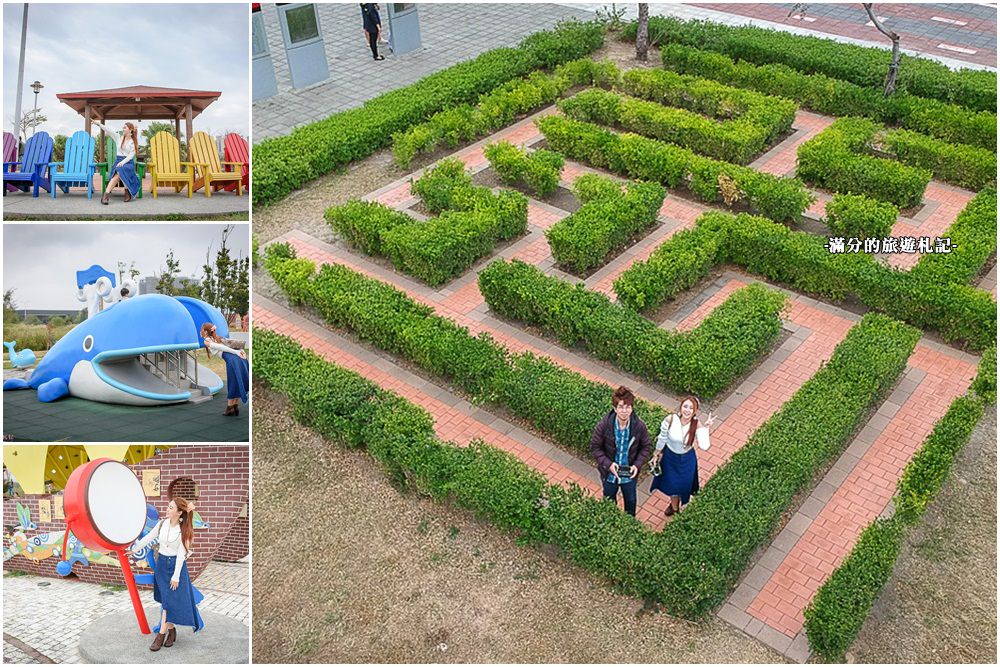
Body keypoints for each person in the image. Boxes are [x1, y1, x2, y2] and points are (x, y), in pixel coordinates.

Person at [130, 497, 204, 651]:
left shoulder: (185, 530)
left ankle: (161, 636)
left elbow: (181, 555)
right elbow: (148, 538)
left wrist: (176, 576)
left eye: (171, 508)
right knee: (166, 601)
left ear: (179, 512)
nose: (167, 509)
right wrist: (134, 550)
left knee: (168, 604)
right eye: (168, 506)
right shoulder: (162, 524)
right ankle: (172, 631)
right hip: (162, 566)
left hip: (176, 568)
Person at [589, 386, 652, 517]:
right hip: (609, 474)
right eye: (621, 407)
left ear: (632, 408)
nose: (624, 411)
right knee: (609, 503)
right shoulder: (604, 425)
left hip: (629, 474)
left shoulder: (639, 426)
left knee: (631, 501)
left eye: (627, 407)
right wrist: (608, 464)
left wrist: (637, 465)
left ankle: (629, 527)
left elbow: (646, 446)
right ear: (615, 409)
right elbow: (595, 447)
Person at [649, 396, 716, 517]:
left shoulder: (696, 424)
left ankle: (674, 504)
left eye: (691, 408)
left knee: (684, 485)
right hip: (670, 458)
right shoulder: (670, 419)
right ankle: (675, 509)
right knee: (673, 485)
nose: (687, 410)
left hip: (687, 459)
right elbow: (662, 438)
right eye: (685, 406)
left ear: (695, 411)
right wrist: (656, 453)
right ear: (680, 407)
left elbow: (704, 446)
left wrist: (706, 428)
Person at [200, 322, 249, 416]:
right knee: (237, 381)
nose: (200, 332)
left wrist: (237, 352)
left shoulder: (207, 341)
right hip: (236, 358)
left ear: (206, 332)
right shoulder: (217, 338)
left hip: (232, 359)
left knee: (233, 382)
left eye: (201, 330)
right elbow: (230, 344)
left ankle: (230, 408)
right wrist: (239, 352)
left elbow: (223, 347)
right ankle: (235, 406)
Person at [92, 120, 141, 205]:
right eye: (123, 127)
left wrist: (123, 162)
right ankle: (109, 195)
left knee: (120, 170)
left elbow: (130, 156)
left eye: (125, 127)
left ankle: (109, 194)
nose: (123, 129)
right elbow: (108, 130)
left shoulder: (133, 142)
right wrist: (98, 124)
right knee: (119, 171)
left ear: (130, 130)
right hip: (118, 161)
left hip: (128, 163)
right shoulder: (118, 137)